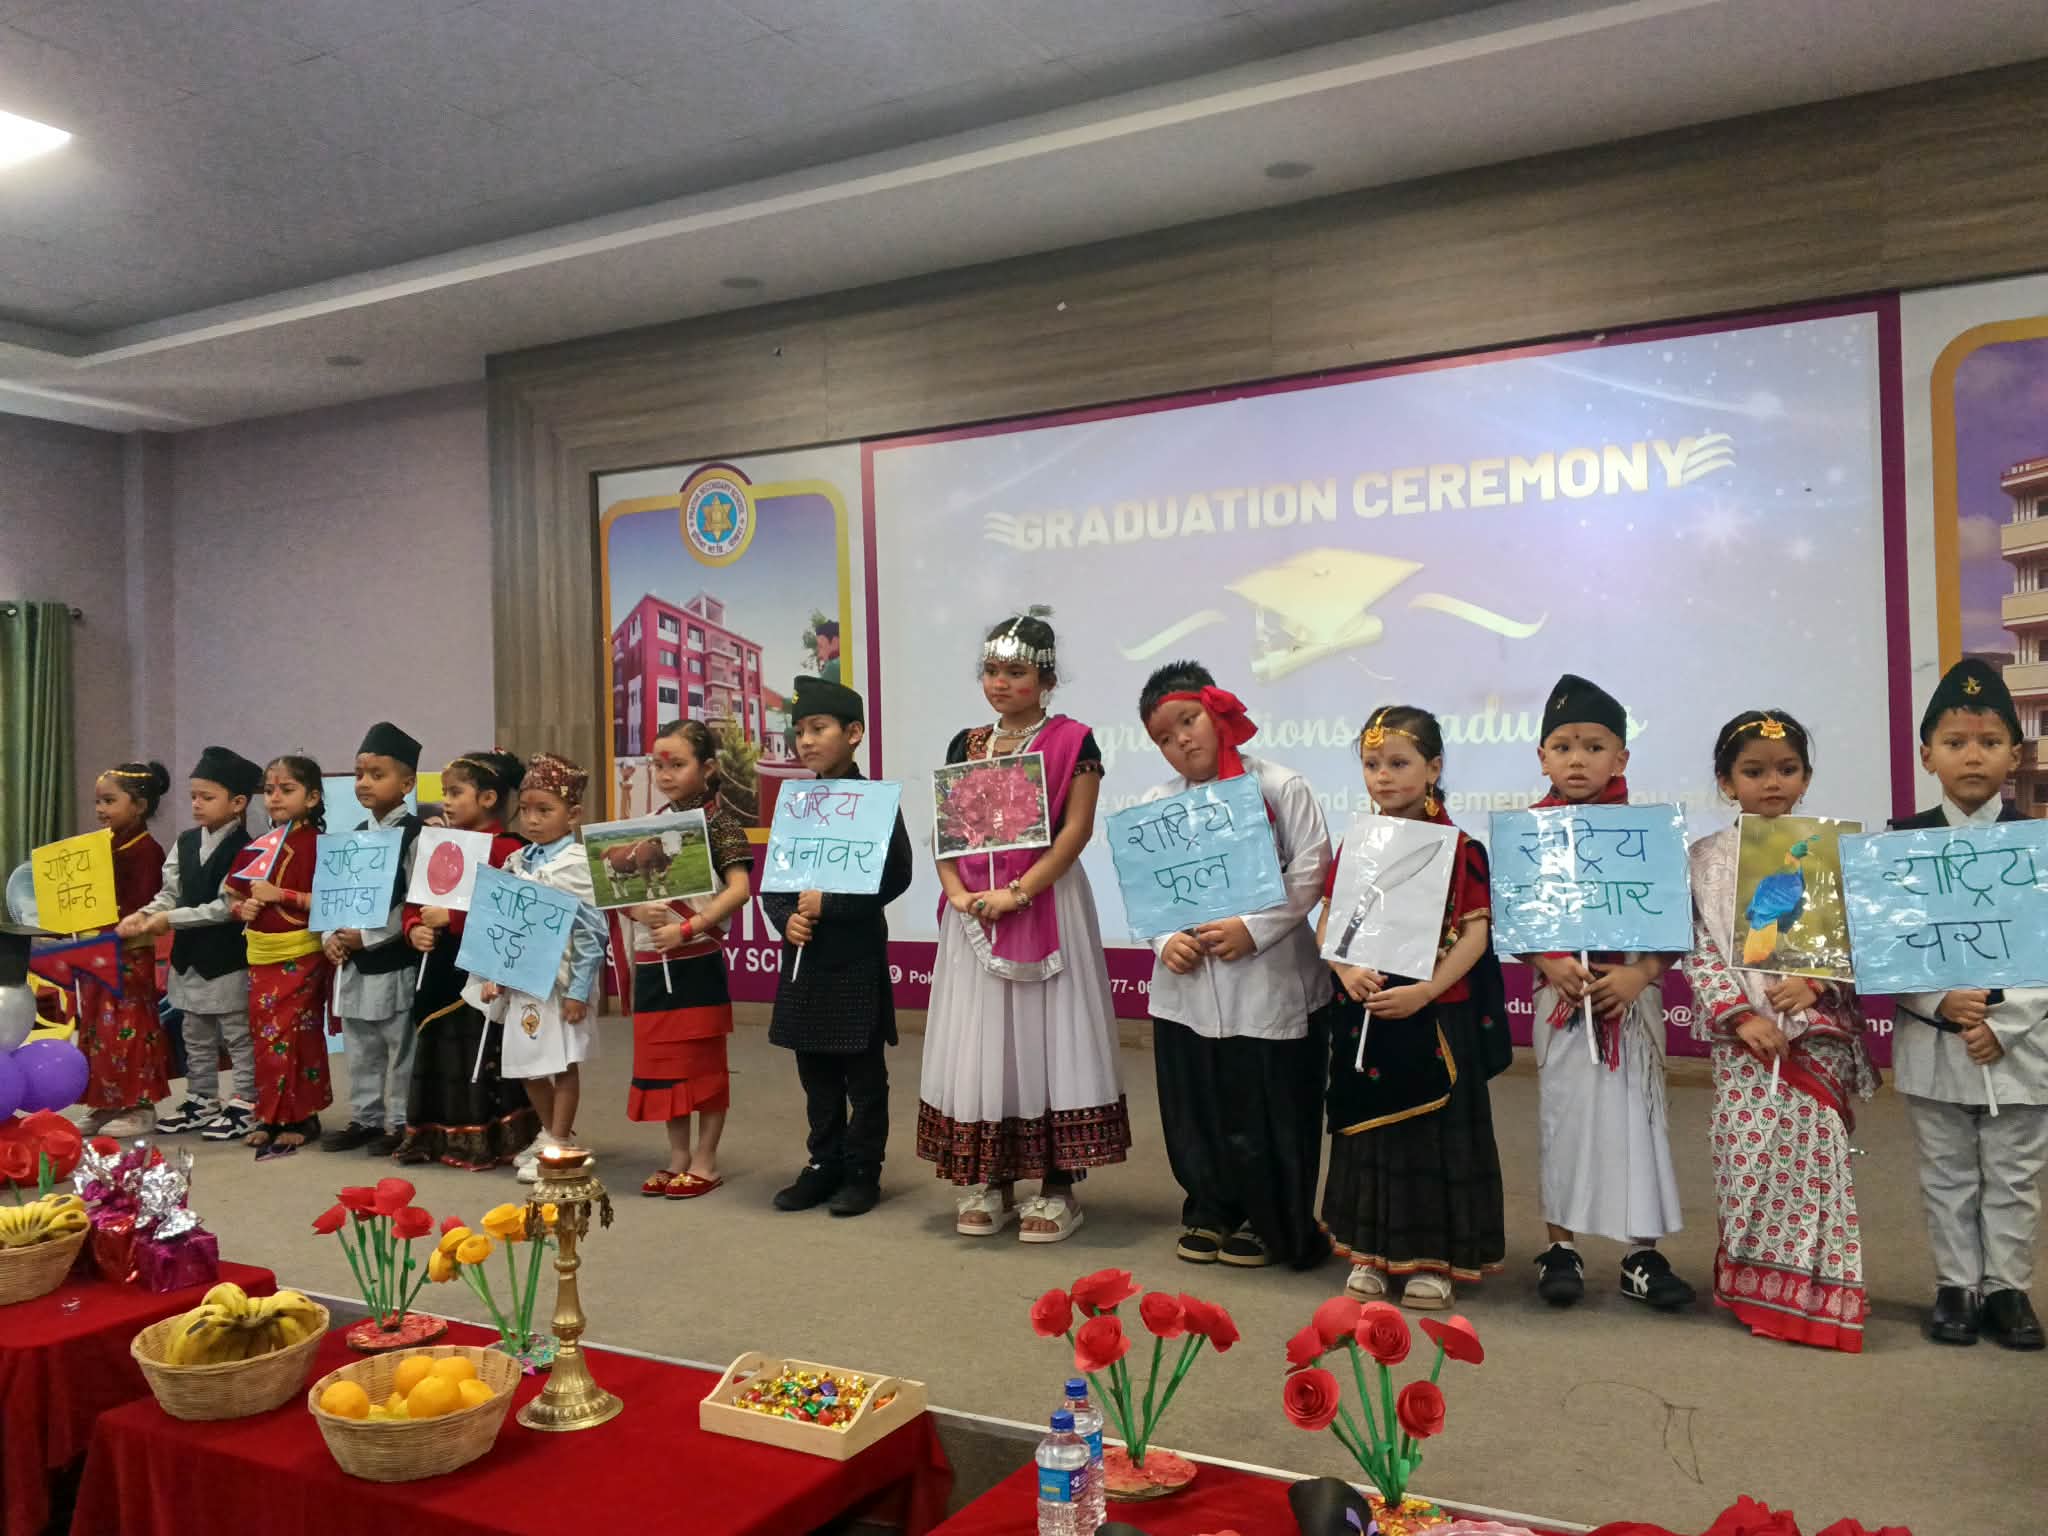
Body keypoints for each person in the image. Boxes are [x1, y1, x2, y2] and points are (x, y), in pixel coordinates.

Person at [917, 611, 1130, 1242]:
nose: (1000, 683)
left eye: (1015, 671)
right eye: (991, 671)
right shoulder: (965, 744)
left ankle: (1058, 1186)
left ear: (1047, 678)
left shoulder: (1074, 742)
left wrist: (1018, 893)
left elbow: (1076, 831)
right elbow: (946, 832)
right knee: (986, 1038)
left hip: (1045, 904)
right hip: (973, 912)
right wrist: (958, 893)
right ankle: (992, 1178)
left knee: (1049, 1036)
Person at [1683, 710, 1876, 1352]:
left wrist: (1815, 985)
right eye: (1754, 771)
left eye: (1787, 769)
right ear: (1725, 781)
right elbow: (1697, 949)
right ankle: (1751, 1288)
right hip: (1745, 1042)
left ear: (1806, 778)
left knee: (1812, 1166)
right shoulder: (1703, 860)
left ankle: (1815, 1296)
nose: (1772, 783)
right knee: (1748, 1161)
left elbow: (1858, 937)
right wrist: (1741, 1016)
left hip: (1814, 1040)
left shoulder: (1830, 853)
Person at [1137, 661, 1333, 1270]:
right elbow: (1146, 887)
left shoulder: (1281, 785)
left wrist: (1254, 929)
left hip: (1269, 981)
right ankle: (1210, 1208)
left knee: (1267, 1104)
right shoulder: (1156, 804)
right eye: (1164, 737)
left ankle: (1269, 1217)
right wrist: (1164, 940)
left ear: (1216, 713)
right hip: (1188, 988)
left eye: (1188, 722)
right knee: (1198, 1104)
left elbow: (1312, 869)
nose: (1181, 741)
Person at [1318, 707, 1507, 1309]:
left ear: (1434, 768)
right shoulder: (1357, 845)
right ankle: (1369, 1252)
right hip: (1369, 1008)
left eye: (1399, 763)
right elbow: (1330, 922)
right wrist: (1345, 971)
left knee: (1432, 1138)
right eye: (1372, 764)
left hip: (1435, 1014)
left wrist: (1426, 990)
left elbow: (1475, 934)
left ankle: (1434, 1261)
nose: (1383, 776)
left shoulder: (1462, 849)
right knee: (1371, 1134)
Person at [1889, 659, 2046, 1350]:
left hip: (2023, 1044)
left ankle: (2008, 1288)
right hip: (1936, 1039)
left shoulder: (2040, 845)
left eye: (1989, 741)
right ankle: (1956, 1284)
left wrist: (2005, 1024)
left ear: (2016, 754)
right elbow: (1886, 945)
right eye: (1954, 742)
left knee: (2014, 1174)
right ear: (1928, 755)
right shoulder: (1900, 845)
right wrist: (1939, 999)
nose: (1972, 755)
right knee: (1947, 1172)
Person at [1524, 673, 1693, 1310]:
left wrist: (1640, 974)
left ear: (1621, 758)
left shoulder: (1648, 831)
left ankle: (1640, 1254)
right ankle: (1560, 1247)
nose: (1577, 760)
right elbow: (1516, 918)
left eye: (1594, 747)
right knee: (1561, 1119)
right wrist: (1550, 962)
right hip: (1562, 998)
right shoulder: (1529, 832)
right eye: (1563, 746)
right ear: (1542, 757)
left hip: (1632, 995)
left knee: (1639, 1123)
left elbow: (1676, 919)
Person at [763, 675, 912, 1218]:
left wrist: (834, 905)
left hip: (854, 960)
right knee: (815, 1074)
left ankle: (863, 1169)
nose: (805, 741)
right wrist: (786, 919)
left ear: (854, 733)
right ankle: (822, 1162)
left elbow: (897, 874)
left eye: (818, 728)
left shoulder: (874, 801)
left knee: (864, 1077)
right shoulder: (795, 802)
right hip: (805, 964)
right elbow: (776, 880)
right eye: (799, 730)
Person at [622, 720, 754, 1199]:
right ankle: (678, 1157)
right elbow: (622, 891)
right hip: (653, 960)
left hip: (697, 959)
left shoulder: (722, 825)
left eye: (677, 764)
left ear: (709, 767)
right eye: (658, 765)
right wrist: (638, 910)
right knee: (663, 1066)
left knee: (703, 1065)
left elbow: (739, 890)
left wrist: (688, 928)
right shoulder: (650, 823)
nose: (665, 774)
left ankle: (705, 1159)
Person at [394, 750, 537, 1170]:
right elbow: (416, 901)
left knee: (477, 1049)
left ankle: (485, 1136)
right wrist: (414, 928)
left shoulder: (509, 850)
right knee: (437, 1048)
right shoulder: (440, 844)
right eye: (445, 793)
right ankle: (434, 1134)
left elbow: (512, 913)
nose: (447, 801)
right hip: (437, 967)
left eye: (456, 792)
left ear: (489, 798)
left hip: (480, 972)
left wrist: (453, 918)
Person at [119, 746, 265, 1142]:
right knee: (195, 1034)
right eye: (194, 796)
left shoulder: (249, 849)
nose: (197, 804)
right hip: (188, 958)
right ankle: (202, 1099)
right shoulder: (184, 843)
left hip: (228, 959)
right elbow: (169, 893)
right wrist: (144, 914)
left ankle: (247, 1101)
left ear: (238, 803)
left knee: (237, 1036)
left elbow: (224, 907)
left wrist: (167, 920)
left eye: (207, 797)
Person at [485, 752, 608, 1183]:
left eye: (545, 810)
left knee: (561, 1062)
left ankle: (559, 1141)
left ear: (572, 815)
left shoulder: (577, 865)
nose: (532, 820)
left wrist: (578, 990)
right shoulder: (518, 862)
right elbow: (502, 923)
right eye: (525, 810)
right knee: (527, 1065)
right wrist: (494, 974)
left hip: (560, 984)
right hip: (523, 982)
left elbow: (592, 932)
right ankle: (552, 1132)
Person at [322, 722, 424, 1157]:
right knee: (360, 1045)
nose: (364, 783)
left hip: (393, 957)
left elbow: (415, 900)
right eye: (359, 774)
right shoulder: (354, 837)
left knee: (398, 1046)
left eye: (377, 775)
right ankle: (365, 1117)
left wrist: (368, 936)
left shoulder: (417, 836)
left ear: (407, 783)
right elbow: (334, 895)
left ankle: (399, 1121)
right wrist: (330, 935)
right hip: (353, 960)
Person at [226, 756, 335, 1158]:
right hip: (262, 955)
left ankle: (301, 1117)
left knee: (296, 1035)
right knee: (265, 1037)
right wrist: (242, 909)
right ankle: (269, 1116)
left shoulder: (323, 846)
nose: (274, 797)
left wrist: (282, 896)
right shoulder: (257, 846)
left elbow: (332, 902)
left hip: (302, 953)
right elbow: (232, 896)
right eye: (269, 790)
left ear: (313, 797)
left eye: (287, 790)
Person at [77, 761, 171, 1136]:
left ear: (140, 806)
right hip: (97, 951)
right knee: (97, 1028)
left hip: (129, 954)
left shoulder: (147, 850)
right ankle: (105, 1102)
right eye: (98, 801)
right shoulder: (100, 845)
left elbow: (143, 904)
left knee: (129, 1028)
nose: (101, 809)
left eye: (110, 801)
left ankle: (139, 1104)